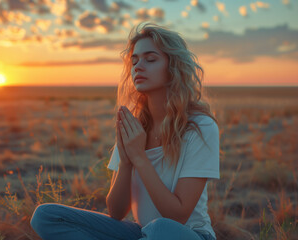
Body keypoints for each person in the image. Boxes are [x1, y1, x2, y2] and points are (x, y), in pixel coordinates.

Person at [30, 22, 220, 240]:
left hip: (187, 234)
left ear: (174, 67)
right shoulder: (134, 126)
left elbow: (177, 216)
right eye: (134, 60)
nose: (138, 66)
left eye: (150, 59)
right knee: (46, 216)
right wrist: (126, 162)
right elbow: (116, 211)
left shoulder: (200, 126)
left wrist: (139, 156)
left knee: (159, 229)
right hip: (143, 233)